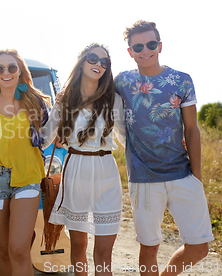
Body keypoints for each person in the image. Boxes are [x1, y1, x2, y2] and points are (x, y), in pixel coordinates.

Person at [114, 20, 213, 276]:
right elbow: (91, 94)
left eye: (150, 44)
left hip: (182, 173)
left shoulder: (181, 80)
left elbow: (192, 129)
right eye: (138, 46)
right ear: (130, 51)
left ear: (160, 45)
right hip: (143, 177)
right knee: (149, 247)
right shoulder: (122, 82)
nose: (145, 50)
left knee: (199, 247)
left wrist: (197, 177)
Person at [42, 44, 126, 276]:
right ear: (81, 62)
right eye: (93, 58)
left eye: (104, 62)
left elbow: (128, 139)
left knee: (104, 253)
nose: (99, 64)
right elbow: (45, 137)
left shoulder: (114, 100)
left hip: (106, 173)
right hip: (76, 171)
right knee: (79, 246)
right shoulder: (65, 99)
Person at [0, 49, 51, 276]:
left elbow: (48, 135)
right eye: (0, 68)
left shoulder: (34, 102)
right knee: (3, 250)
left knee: (19, 249)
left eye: (11, 67)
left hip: (27, 177)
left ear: (20, 71)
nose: (6, 72)